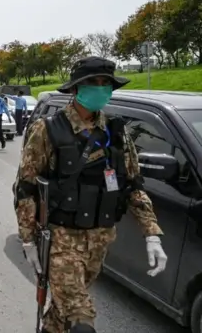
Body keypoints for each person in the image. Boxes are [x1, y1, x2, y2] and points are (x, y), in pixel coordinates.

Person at [13, 57, 168, 333]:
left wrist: (152, 233)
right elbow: (26, 186)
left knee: (62, 311)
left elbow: (133, 185)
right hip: (61, 237)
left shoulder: (117, 134)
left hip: (100, 238)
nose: (100, 89)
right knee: (80, 315)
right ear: (75, 89)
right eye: (92, 83)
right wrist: (27, 239)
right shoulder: (47, 130)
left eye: (105, 83)